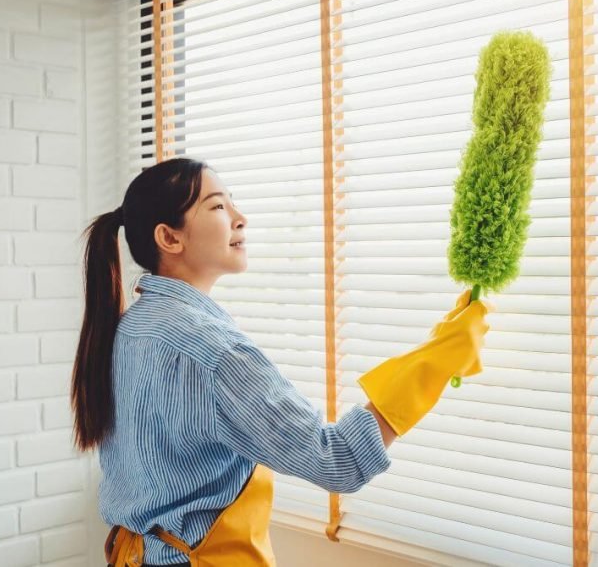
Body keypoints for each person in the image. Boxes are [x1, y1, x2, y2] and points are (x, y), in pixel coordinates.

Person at [70, 157, 492, 567]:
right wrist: (434, 362)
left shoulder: (128, 328)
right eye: (217, 205)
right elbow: (338, 460)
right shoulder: (214, 351)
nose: (240, 217)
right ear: (170, 238)